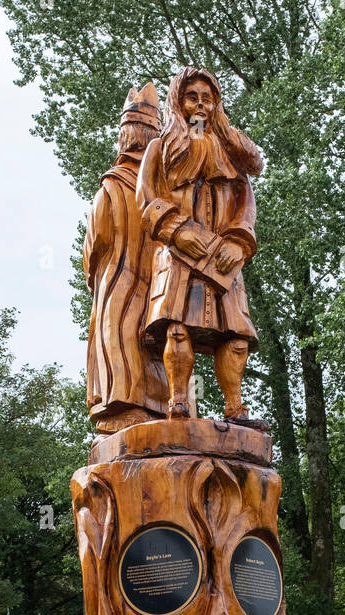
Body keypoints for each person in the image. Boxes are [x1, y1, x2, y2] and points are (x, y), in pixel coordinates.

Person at [136, 67, 263, 422]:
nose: (201, 106)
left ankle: (235, 407)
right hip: (177, 255)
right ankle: (178, 402)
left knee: (236, 334)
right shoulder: (160, 149)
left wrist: (239, 241)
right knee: (177, 327)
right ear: (179, 100)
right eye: (193, 97)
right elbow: (145, 198)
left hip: (223, 257)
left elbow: (245, 204)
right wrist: (176, 230)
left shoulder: (231, 157)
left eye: (208, 98)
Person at [83, 83, 168, 431]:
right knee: (159, 350)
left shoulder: (111, 187)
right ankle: (158, 409)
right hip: (159, 290)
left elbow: (93, 246)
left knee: (117, 338)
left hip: (117, 284)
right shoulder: (166, 193)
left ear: (125, 137)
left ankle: (121, 406)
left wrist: (97, 276)